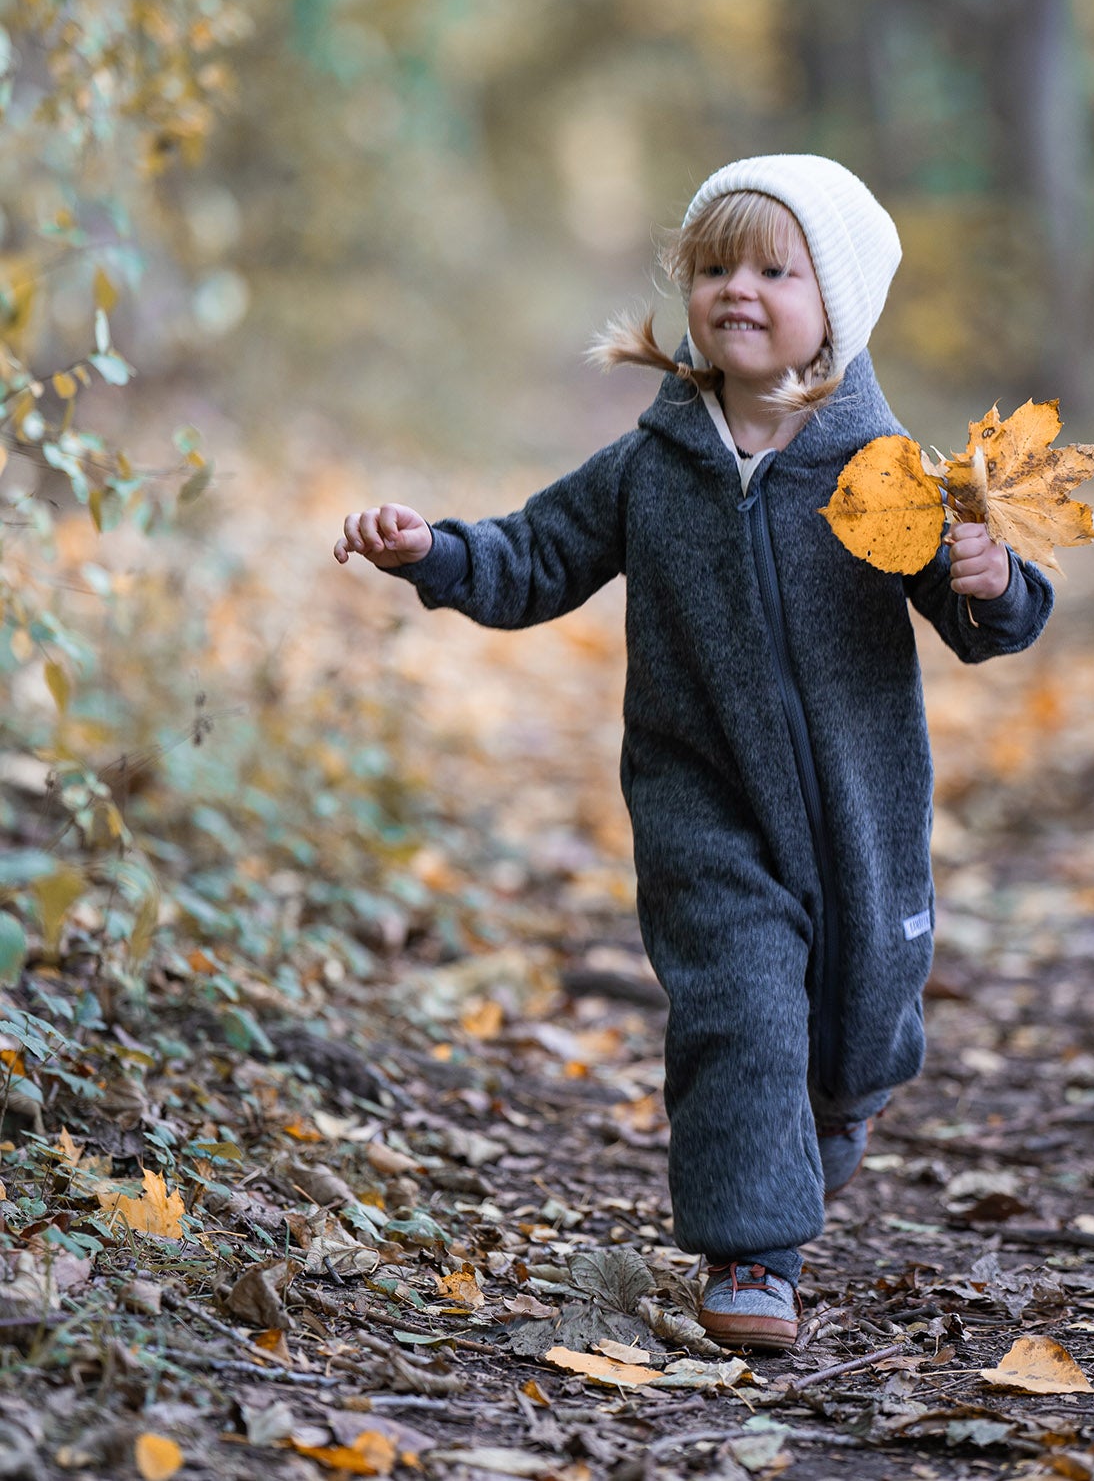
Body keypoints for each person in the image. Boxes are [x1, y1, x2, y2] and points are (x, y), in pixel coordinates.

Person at [335, 155, 1054, 1351]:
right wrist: (435, 553)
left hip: (859, 807)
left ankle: (828, 1115)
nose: (740, 289)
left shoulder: (890, 479)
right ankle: (752, 1257)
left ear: (841, 306)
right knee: (738, 1007)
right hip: (701, 801)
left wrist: (990, 579)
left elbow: (984, 618)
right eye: (716, 265)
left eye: (777, 269)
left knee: (860, 1027)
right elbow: (534, 558)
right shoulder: (650, 468)